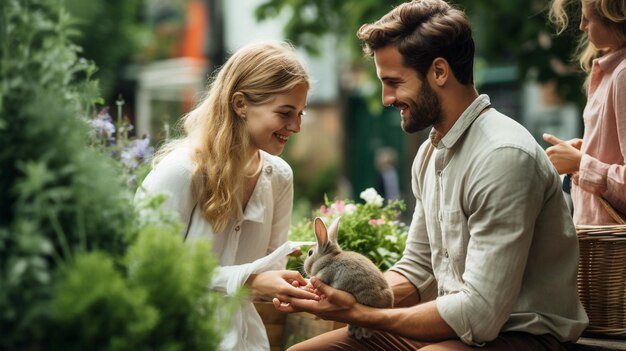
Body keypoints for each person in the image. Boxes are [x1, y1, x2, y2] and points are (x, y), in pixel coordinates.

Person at [273, 1, 588, 350]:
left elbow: (480, 316)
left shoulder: (503, 156)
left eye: (393, 82)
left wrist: (364, 314)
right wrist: (335, 295)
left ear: (439, 72)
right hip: (456, 326)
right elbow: (418, 270)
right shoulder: (429, 154)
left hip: (522, 336)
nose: (386, 98)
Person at [135, 41, 319, 351]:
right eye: (285, 113)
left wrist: (303, 286)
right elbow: (147, 269)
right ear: (240, 104)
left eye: (300, 113)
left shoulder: (280, 177)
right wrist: (249, 280)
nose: (297, 126)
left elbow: (270, 270)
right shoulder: (181, 172)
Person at [542, 0, 626, 225]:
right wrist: (587, 151)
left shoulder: (623, 74)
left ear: (615, 17)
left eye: (589, 16)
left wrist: (581, 164)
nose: (581, 25)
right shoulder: (611, 72)